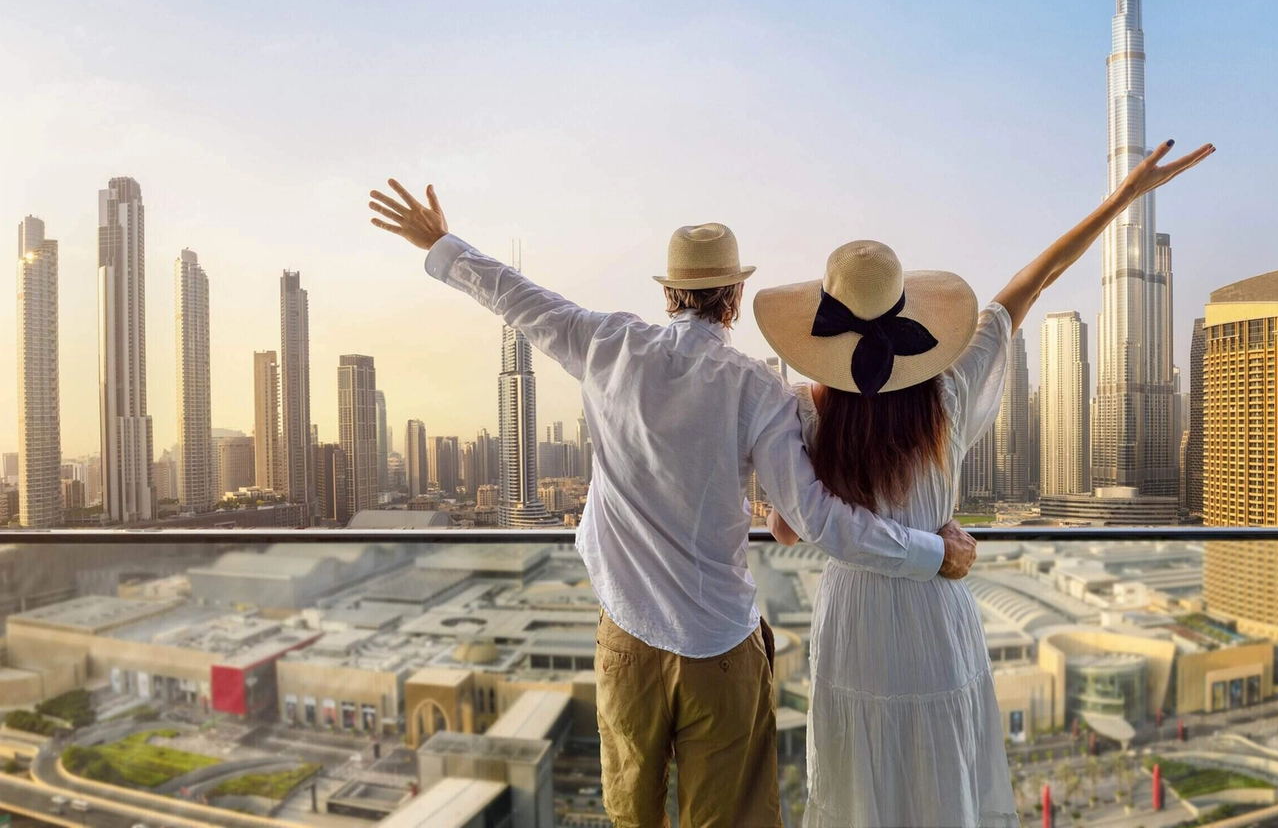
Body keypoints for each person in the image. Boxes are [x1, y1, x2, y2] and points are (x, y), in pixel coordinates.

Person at [366, 183, 978, 827]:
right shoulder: (755, 387)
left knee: (632, 818)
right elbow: (818, 518)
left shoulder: (606, 345)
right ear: (735, 298)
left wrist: (440, 244)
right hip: (720, 650)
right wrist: (934, 553)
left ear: (668, 293)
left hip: (626, 641)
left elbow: (516, 297)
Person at [757, 138, 1214, 827]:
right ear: (908, 318)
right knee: (944, 782)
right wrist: (1120, 201)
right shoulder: (950, 395)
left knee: (859, 785)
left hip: (855, 627)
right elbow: (1032, 283)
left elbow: (788, 527)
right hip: (936, 616)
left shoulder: (805, 412)